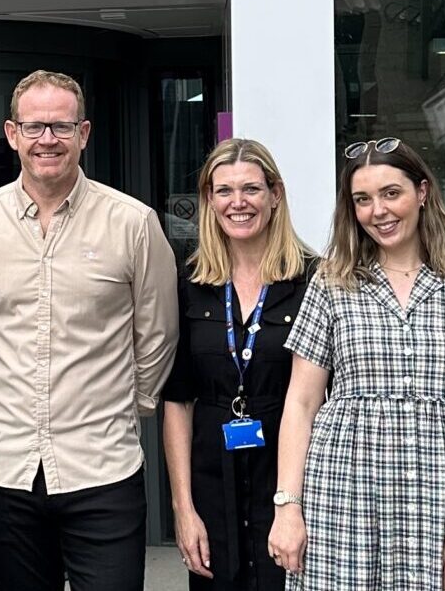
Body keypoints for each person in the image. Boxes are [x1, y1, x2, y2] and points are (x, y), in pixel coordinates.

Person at [0, 70, 178, 591]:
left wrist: (130, 405)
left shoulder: (133, 222)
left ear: (84, 133)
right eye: (34, 127)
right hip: (6, 470)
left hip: (103, 468)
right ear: (12, 134)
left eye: (61, 126)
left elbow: (158, 332)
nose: (47, 139)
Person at [269, 137, 445, 591]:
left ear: (422, 192)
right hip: (343, 500)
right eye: (363, 199)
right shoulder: (331, 284)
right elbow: (300, 403)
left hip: (442, 499)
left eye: (391, 193)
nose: (378, 211)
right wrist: (288, 506)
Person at [161, 138, 314, 591]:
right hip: (211, 484)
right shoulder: (190, 284)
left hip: (289, 484)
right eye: (224, 190)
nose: (238, 203)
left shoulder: (314, 281)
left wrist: (293, 502)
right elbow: (178, 400)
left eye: (251, 189)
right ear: (209, 200)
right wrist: (183, 509)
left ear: (275, 194)